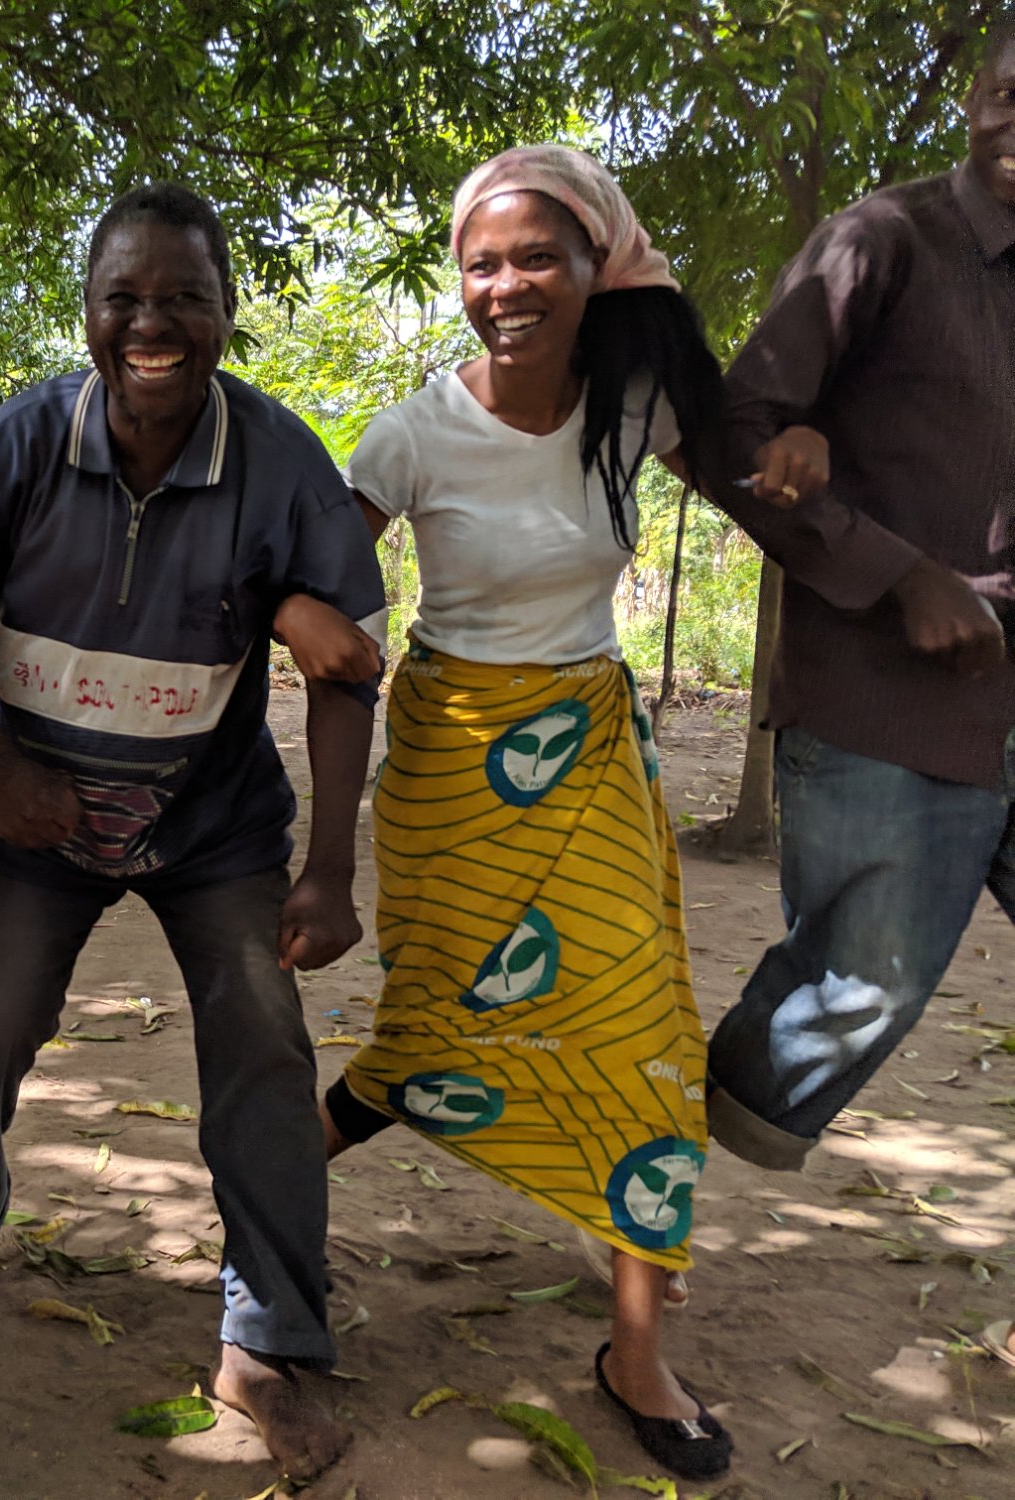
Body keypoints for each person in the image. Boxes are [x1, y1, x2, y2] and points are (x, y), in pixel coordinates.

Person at [0, 182, 387, 1482]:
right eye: (124, 298)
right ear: (87, 313)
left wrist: (327, 867)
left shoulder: (278, 460)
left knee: (263, 1040)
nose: (151, 323)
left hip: (213, 827)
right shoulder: (25, 441)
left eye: (184, 298)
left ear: (226, 314)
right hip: (38, 820)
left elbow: (343, 664)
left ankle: (271, 1342)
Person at [282, 146, 764, 1480]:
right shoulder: (416, 429)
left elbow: (754, 479)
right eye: (483, 262)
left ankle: (636, 1350)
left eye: (536, 257)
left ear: (594, 268)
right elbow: (307, 561)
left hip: (595, 753)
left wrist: (803, 473)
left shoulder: (640, 402)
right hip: (450, 766)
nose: (507, 285)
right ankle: (266, 1223)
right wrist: (295, 608)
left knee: (646, 1041)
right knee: (423, 1038)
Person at [700, 22, 1015, 1219]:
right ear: (974, 100)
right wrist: (899, 575)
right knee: (856, 988)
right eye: (1003, 95)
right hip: (890, 700)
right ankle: (639, 1168)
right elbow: (737, 432)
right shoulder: (884, 240)